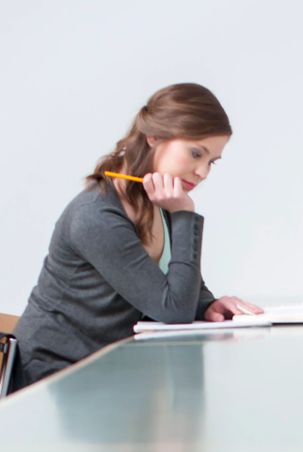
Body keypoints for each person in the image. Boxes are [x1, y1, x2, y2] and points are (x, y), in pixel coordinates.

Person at [11, 82, 262, 391]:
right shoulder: (96, 216)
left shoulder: (157, 200)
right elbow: (173, 310)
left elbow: (181, 289)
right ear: (154, 137)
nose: (203, 172)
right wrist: (184, 215)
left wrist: (209, 304)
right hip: (55, 380)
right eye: (196, 153)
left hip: (107, 372)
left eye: (211, 161)